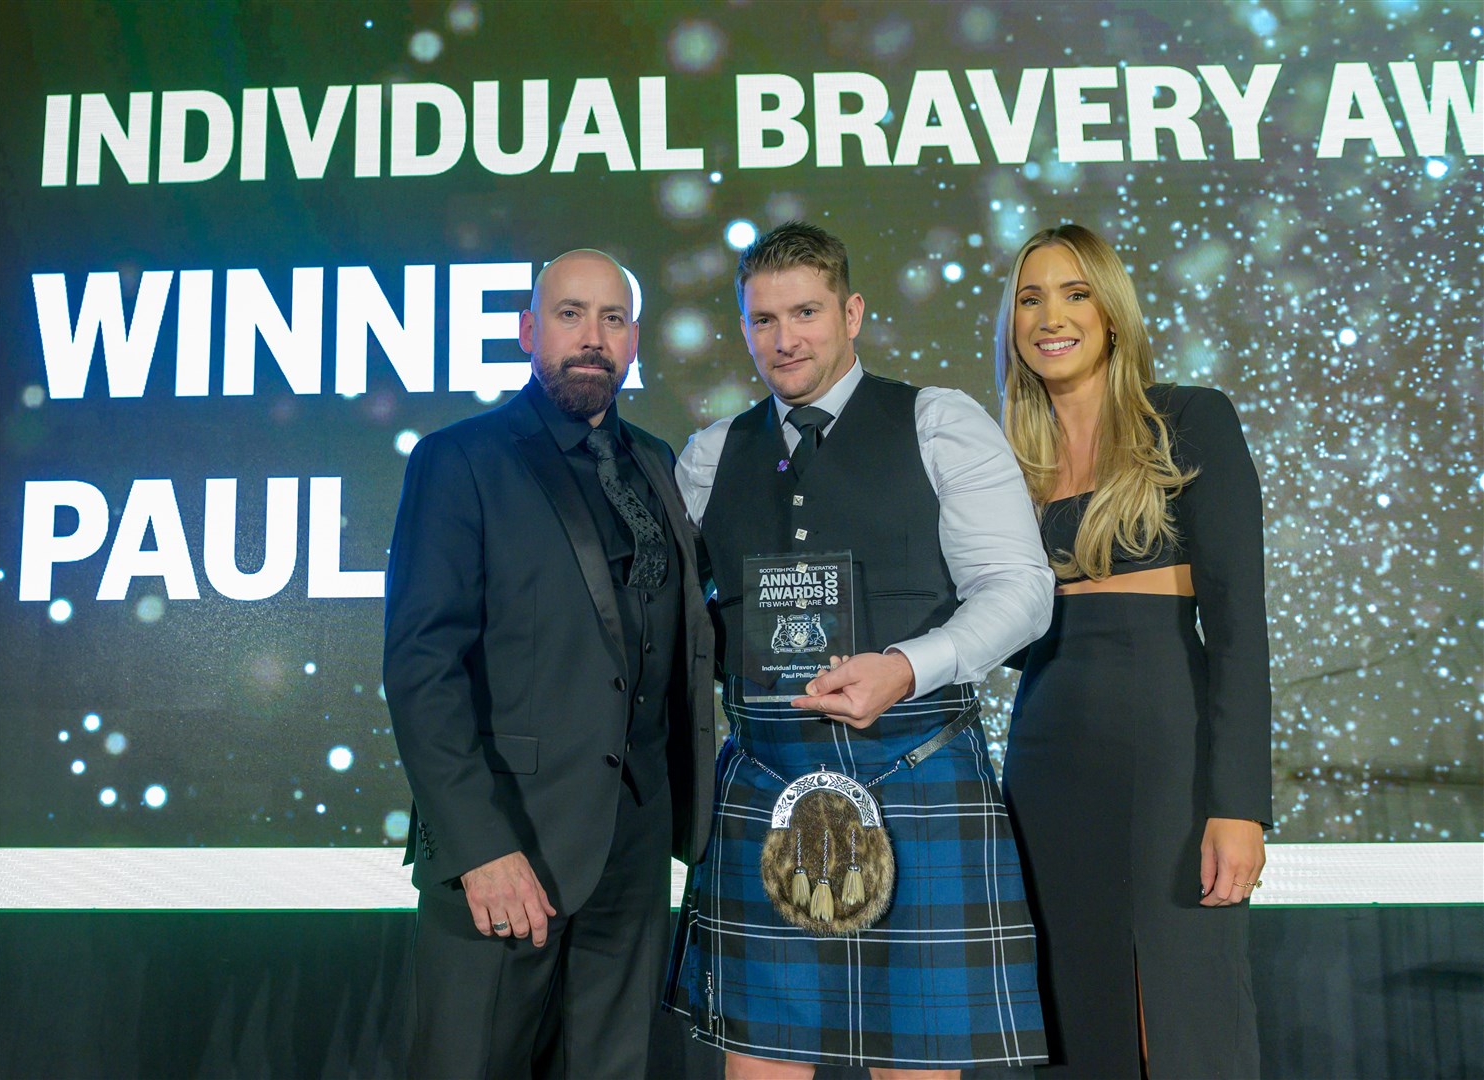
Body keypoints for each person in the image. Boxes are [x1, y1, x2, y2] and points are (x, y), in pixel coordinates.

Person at [663, 221, 1055, 1078]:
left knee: (915, 1059)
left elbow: (1021, 592)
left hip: (915, 765)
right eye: (762, 320)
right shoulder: (705, 457)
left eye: (805, 312)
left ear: (852, 312)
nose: (784, 339)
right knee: (758, 1062)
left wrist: (908, 667)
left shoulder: (939, 421)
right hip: (765, 779)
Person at [383, 249, 715, 1079]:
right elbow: (423, 669)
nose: (591, 338)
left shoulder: (658, 463)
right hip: (506, 850)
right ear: (530, 330)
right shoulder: (460, 460)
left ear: (634, 339)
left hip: (633, 853)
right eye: (569, 315)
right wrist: (478, 847)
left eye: (611, 319)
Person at [993, 223, 1272, 1078]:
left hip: (1165, 743)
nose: (1051, 316)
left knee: (1181, 1007)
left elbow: (1237, 626)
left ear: (1111, 311)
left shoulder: (1188, 419)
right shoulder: (1001, 461)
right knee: (1077, 1009)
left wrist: (1239, 805)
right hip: (1045, 748)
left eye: (1074, 293)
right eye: (1030, 297)